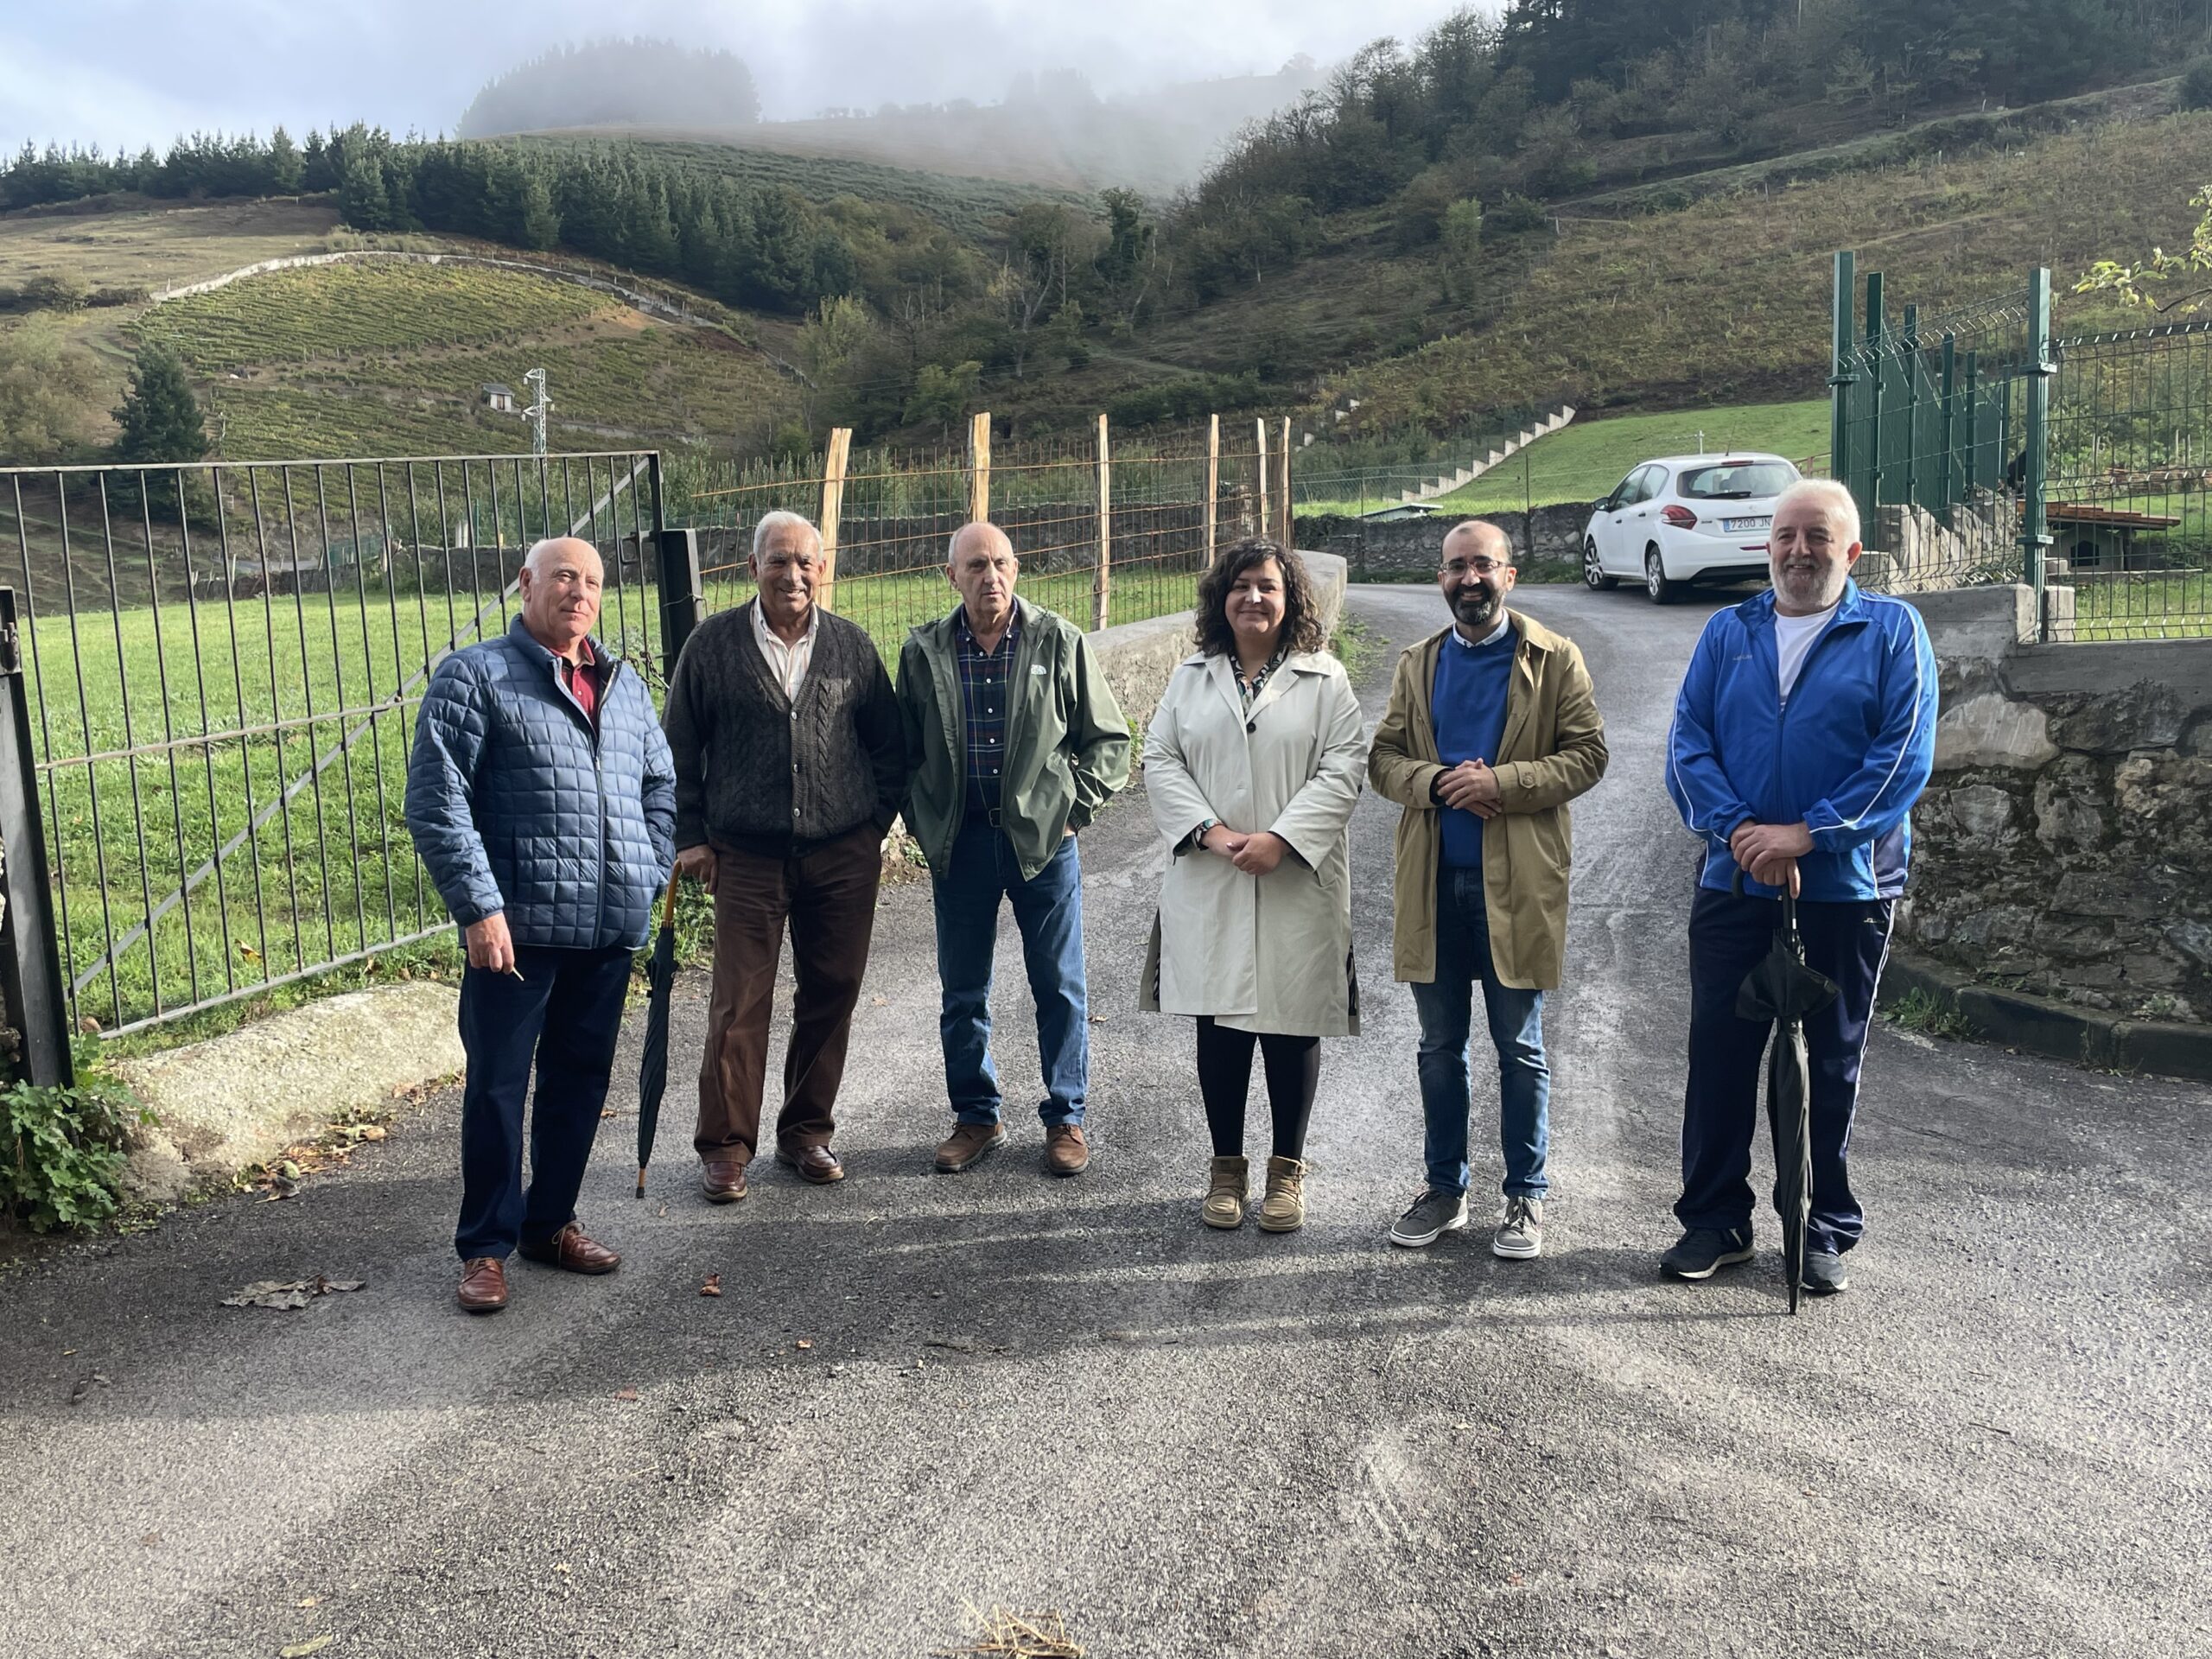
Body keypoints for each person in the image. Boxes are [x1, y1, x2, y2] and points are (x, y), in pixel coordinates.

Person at [1662, 478, 1936, 1296]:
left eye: (1817, 536)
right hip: (1734, 881)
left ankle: (1821, 1224)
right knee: (1719, 1052)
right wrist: (1742, 833)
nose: (1798, 550)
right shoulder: (1727, 631)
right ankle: (1716, 1220)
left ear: (1851, 551)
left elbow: (1902, 752)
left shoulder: (1891, 630)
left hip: (1846, 887)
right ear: (1767, 546)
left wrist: (1810, 833)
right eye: (1785, 535)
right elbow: (1687, 743)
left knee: (1830, 1060)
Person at [406, 536, 676, 1314]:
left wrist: (648, 870)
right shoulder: (475, 676)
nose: (579, 592)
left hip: (606, 926)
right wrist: (479, 907)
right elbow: (437, 799)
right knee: (496, 1086)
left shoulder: (620, 685)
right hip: (515, 931)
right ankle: (485, 1249)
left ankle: (550, 1222)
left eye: (592, 582)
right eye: (563, 577)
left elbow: (660, 785)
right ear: (525, 583)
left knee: (580, 1084)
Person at [1369, 520, 1608, 1261]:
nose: (1468, 579)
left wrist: (1500, 782)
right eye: (1454, 568)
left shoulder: (1554, 656)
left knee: (1520, 1048)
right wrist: (1439, 783)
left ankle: (1525, 1198)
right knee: (1440, 1047)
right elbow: (1382, 760)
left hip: (1520, 884)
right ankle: (1446, 1190)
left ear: (1509, 575)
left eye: (1482, 566)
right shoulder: (1419, 662)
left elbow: (1589, 755)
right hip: (1433, 882)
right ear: (1440, 579)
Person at [662, 510, 906, 1203]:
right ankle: (726, 1148)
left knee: (831, 996)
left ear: (823, 569)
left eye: (805, 562)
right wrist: (691, 836)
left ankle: (805, 1132)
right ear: (753, 567)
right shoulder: (710, 647)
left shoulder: (853, 648)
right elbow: (676, 748)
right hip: (745, 856)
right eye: (778, 561)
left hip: (841, 856)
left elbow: (889, 749)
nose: (792, 575)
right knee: (738, 1004)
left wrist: (870, 830)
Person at [1141, 538, 1365, 1233]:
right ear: (1222, 598)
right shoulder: (1191, 677)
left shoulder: (1325, 679)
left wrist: (1282, 840)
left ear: (1290, 596)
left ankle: (1286, 1172)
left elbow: (1344, 766)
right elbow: (1159, 757)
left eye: (1268, 586)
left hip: (1297, 876)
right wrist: (1210, 831)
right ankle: (1225, 1169)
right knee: (1221, 1021)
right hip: (1215, 871)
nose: (1254, 598)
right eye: (1241, 586)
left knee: (1292, 1022)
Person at [897, 520, 1131, 1178]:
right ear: (951, 576)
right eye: (974, 566)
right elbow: (904, 751)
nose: (989, 576)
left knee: (1058, 983)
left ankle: (1066, 1118)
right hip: (962, 843)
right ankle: (977, 1116)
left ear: (1017, 569)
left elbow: (1108, 741)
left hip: (1042, 846)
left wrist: (1071, 810)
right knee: (962, 989)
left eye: (999, 563)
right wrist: (924, 819)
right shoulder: (924, 652)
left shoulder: (1058, 640)